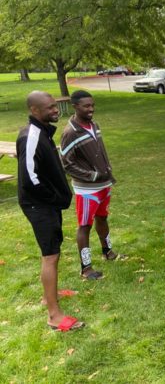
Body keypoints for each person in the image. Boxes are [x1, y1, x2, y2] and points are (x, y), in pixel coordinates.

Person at [17, 91, 84, 331]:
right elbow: (29, 178)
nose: (55, 110)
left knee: (53, 249)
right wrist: (54, 198)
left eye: (55, 106)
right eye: (49, 108)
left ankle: (50, 294)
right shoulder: (31, 136)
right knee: (50, 254)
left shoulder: (43, 131)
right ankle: (54, 315)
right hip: (39, 204)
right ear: (34, 111)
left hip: (48, 204)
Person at [60, 90, 123, 280]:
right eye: (86, 106)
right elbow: (66, 163)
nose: (91, 109)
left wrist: (106, 169)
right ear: (75, 107)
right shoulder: (70, 132)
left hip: (104, 185)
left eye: (92, 105)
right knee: (84, 226)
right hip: (87, 190)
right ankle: (86, 268)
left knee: (102, 219)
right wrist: (92, 175)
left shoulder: (94, 125)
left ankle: (108, 252)